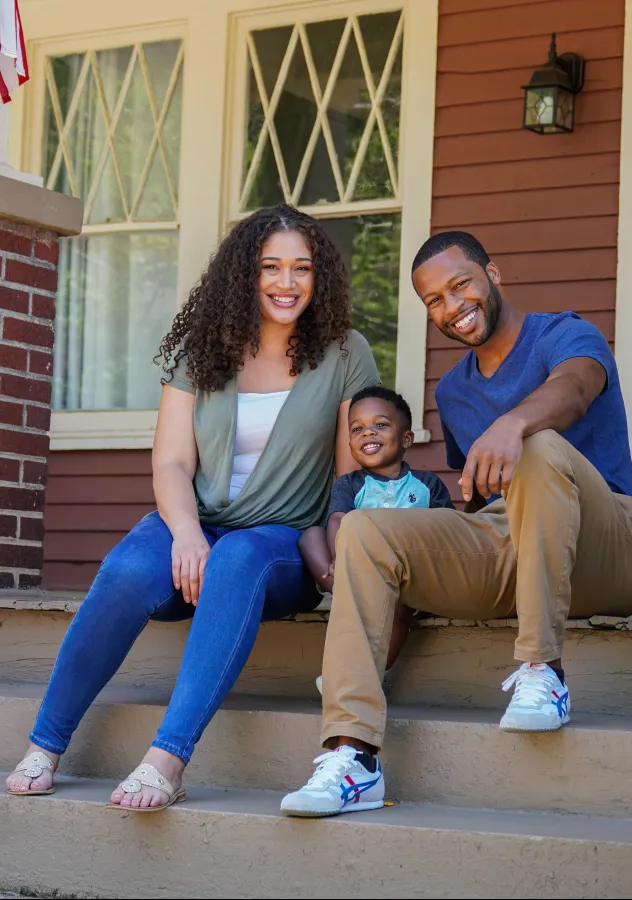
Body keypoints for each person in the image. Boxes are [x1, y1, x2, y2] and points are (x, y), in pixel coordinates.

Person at [5, 205, 379, 811]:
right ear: (244, 274)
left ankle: (168, 758)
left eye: (302, 268)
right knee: (127, 569)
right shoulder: (203, 349)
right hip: (197, 527)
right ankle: (46, 744)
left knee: (237, 556)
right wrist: (184, 533)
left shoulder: (345, 353)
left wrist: (341, 562)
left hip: (281, 547)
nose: (288, 283)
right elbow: (173, 463)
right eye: (272, 267)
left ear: (321, 277)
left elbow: (346, 478)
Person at [279, 230, 632, 818]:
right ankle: (354, 756)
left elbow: (575, 389)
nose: (452, 307)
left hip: (606, 551)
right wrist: (427, 567)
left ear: (493, 274)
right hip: (512, 552)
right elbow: (479, 502)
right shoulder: (454, 389)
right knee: (363, 528)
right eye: (434, 300)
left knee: (536, 445)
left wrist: (514, 424)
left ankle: (543, 670)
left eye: (461, 285)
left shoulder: (564, 334)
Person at [298, 385, 454, 684]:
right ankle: (344, 584)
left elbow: (446, 531)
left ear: (407, 438)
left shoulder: (426, 485)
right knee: (310, 537)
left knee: (398, 604)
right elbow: (338, 521)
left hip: (408, 579)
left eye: (380, 425)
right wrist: (339, 560)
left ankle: (371, 673)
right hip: (357, 570)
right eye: (357, 429)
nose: (368, 433)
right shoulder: (350, 484)